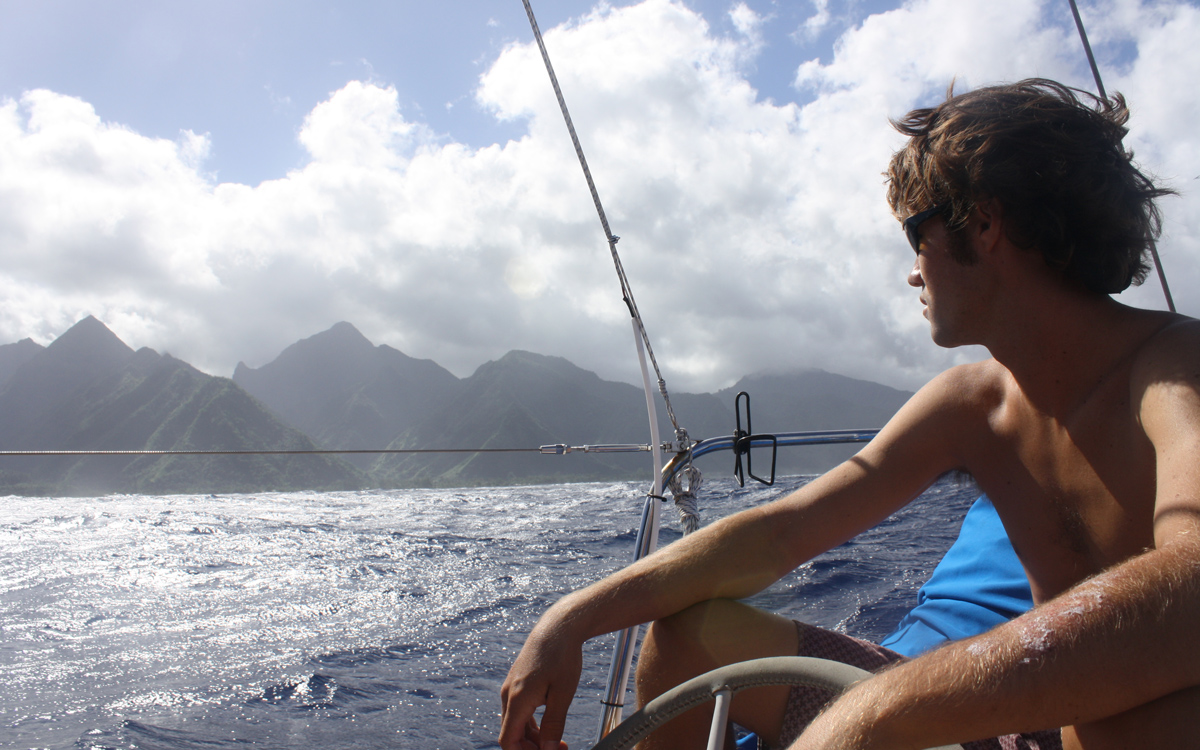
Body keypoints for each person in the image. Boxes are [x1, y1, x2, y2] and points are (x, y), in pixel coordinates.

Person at [499, 78, 1198, 750]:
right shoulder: (970, 405)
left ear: (982, 223)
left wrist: (875, 714)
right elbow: (780, 532)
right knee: (687, 641)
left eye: (914, 235)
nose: (913, 272)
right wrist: (572, 618)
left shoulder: (1172, 369)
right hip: (1000, 729)